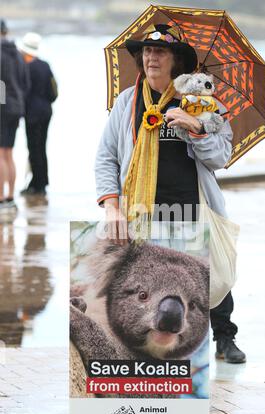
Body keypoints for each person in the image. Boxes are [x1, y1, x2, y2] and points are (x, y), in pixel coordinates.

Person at [95, 24, 246, 364]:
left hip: (191, 207)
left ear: (175, 60)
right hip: (139, 210)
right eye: (146, 51)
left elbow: (221, 157)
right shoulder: (127, 102)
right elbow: (106, 157)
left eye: (159, 51)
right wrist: (111, 207)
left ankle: (225, 337)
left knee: (208, 276)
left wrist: (196, 130)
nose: (151, 57)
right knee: (143, 284)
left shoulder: (203, 103)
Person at [20, 32, 58, 195]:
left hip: (32, 114)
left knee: (33, 148)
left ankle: (38, 186)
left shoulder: (25, 68)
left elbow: (23, 91)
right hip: (47, 111)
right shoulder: (45, 65)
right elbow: (54, 92)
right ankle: (41, 182)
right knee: (42, 147)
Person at [0, 19, 30, 210]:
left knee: (1, 153)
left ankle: (1, 198)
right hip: (17, 108)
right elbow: (25, 84)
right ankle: (10, 196)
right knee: (9, 153)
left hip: (2, 108)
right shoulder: (18, 54)